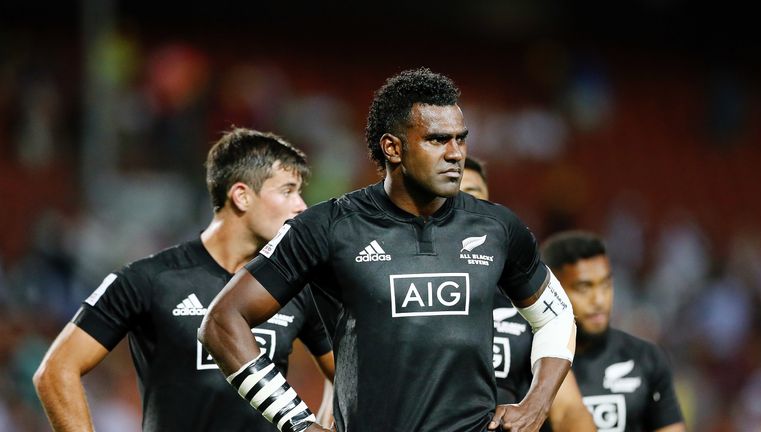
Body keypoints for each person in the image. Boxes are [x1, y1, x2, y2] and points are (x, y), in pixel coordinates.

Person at [199, 67, 577, 432]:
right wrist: (296, 421)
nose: (455, 154)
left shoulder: (497, 227)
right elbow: (222, 321)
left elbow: (556, 316)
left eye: (460, 139)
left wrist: (537, 403)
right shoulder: (329, 227)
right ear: (393, 148)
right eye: (437, 140)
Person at [33, 128, 335, 431]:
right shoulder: (149, 279)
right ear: (242, 196)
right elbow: (56, 370)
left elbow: (346, 374)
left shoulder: (298, 288)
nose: (301, 205)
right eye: (287, 191)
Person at [460, 157, 596, 432]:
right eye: (452, 195)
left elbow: (568, 411)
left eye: (473, 195)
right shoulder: (398, 290)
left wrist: (535, 407)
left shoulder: (526, 306)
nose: (462, 205)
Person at [540, 231, 686, 432]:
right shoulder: (531, 360)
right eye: (584, 288)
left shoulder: (646, 359)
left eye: (606, 285)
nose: (599, 300)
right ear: (551, 291)